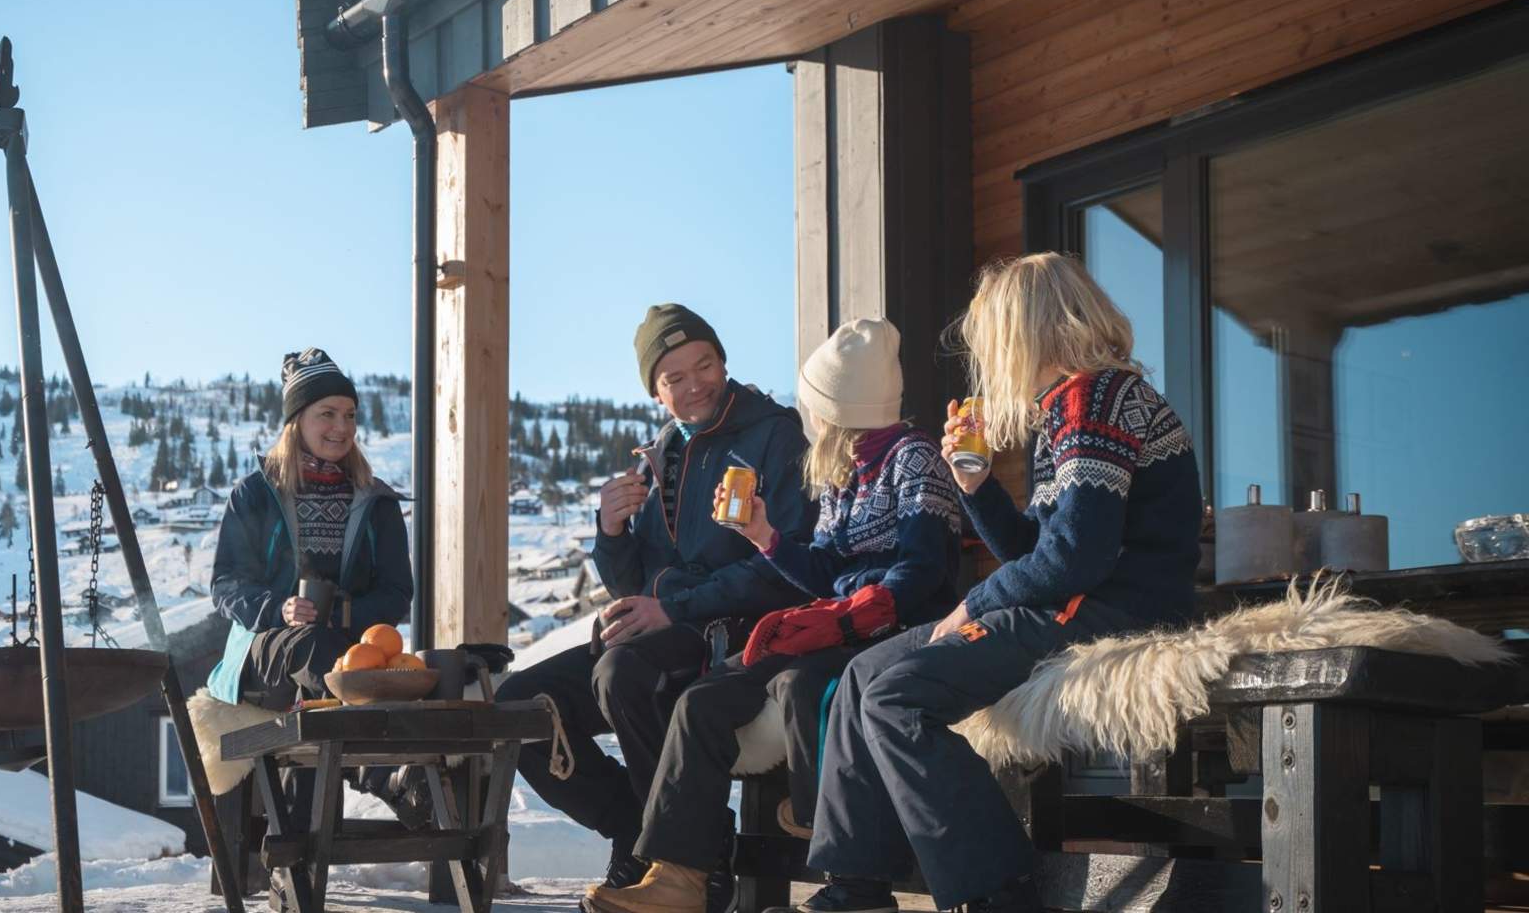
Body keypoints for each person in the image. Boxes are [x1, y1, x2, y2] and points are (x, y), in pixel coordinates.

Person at [791, 253, 1203, 913]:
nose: (987, 357)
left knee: (897, 696)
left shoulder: (1096, 399)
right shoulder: (1073, 406)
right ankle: (856, 884)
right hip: (1076, 599)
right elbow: (1036, 549)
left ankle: (997, 891)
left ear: (1024, 330)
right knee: (863, 677)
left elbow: (1074, 563)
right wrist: (976, 486)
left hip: (1112, 609)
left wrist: (975, 603)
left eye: (990, 339)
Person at [585, 318, 960, 913]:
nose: (809, 413)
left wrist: (846, 612)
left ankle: (825, 837)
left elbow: (920, 574)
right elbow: (821, 569)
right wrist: (764, 537)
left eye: (819, 400)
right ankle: (680, 878)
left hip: (882, 630)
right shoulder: (844, 470)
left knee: (800, 683)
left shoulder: (913, 459)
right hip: (829, 624)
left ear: (842, 401)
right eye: (673, 376)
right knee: (701, 701)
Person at [496, 304, 815, 904]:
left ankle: (690, 860)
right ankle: (637, 833)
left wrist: (675, 610)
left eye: (706, 364)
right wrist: (611, 532)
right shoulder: (666, 451)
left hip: (739, 633)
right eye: (674, 377)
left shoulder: (774, 433)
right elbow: (633, 580)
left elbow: (789, 563)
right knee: (518, 703)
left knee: (623, 675)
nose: (695, 383)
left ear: (723, 362)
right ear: (655, 392)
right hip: (663, 630)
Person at [206, 348, 421, 815]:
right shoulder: (256, 494)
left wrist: (343, 614)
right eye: (327, 414)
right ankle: (387, 777)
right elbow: (225, 584)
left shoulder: (376, 501)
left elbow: (397, 592)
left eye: (349, 415)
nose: (341, 427)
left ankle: (306, 843)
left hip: (352, 647)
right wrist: (280, 608)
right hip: (267, 649)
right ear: (296, 420)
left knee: (361, 663)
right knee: (314, 648)